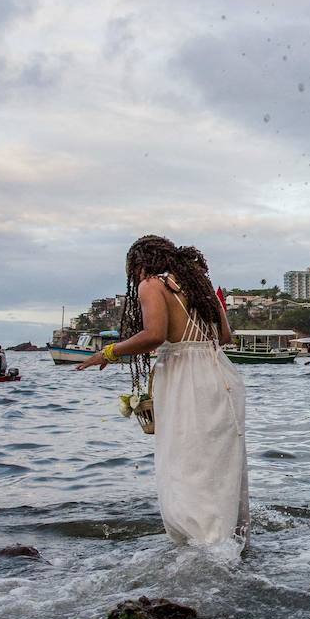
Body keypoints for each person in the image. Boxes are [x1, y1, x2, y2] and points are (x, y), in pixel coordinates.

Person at [76, 235, 249, 551]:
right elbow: (225, 336)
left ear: (141, 264)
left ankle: (202, 546)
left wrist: (109, 352)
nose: (135, 278)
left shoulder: (151, 284)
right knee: (217, 466)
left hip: (187, 379)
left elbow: (154, 335)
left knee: (185, 462)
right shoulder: (200, 284)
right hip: (221, 377)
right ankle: (226, 541)